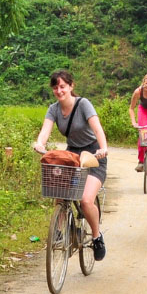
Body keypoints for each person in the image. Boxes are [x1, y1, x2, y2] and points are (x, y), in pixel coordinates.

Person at [32, 70, 109, 260]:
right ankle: (61, 229)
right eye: (56, 87)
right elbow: (45, 131)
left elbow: (97, 129)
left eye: (63, 86)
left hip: (92, 155)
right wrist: (40, 144)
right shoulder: (54, 109)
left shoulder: (83, 104)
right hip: (73, 154)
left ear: (71, 86)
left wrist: (103, 148)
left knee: (85, 200)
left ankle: (97, 236)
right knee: (59, 191)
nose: (59, 91)